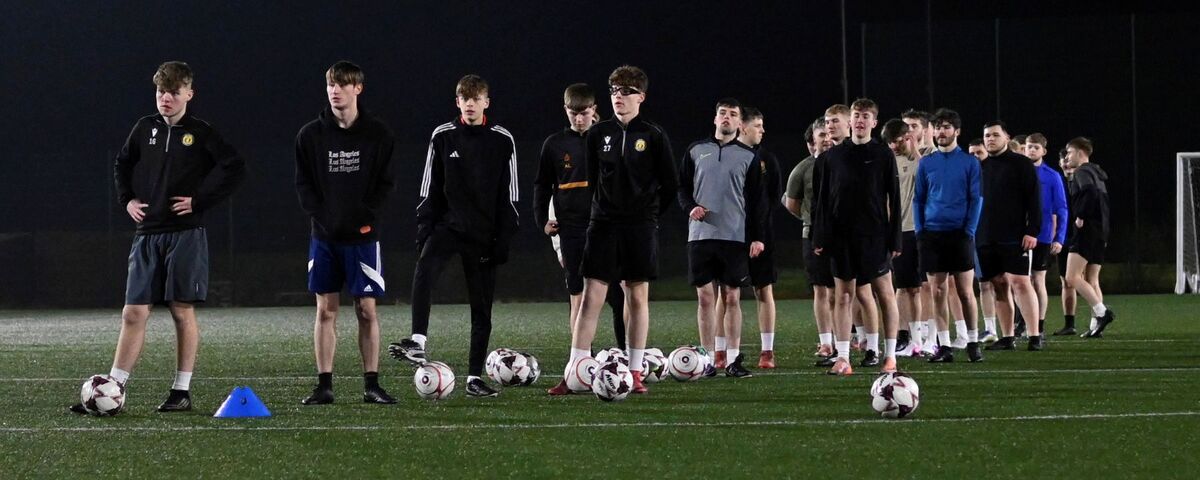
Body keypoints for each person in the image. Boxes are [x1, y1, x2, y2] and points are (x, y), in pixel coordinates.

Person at [72, 61, 247, 414]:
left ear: (189, 94)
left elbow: (235, 167)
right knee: (133, 312)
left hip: (185, 234)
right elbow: (122, 164)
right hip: (147, 234)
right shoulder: (144, 128)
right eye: (160, 92)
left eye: (172, 92)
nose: (165, 98)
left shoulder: (201, 132)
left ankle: (180, 391)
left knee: (181, 312)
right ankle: (113, 387)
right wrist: (128, 201)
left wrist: (200, 201)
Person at [547, 65, 677, 395]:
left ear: (641, 97)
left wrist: (648, 216)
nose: (619, 96)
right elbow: (593, 181)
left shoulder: (654, 135)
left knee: (636, 296)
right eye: (614, 91)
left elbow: (670, 185)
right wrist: (601, 212)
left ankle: (635, 372)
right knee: (590, 298)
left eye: (626, 91)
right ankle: (574, 372)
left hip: (639, 226)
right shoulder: (597, 134)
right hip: (603, 225)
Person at [389, 74, 519, 398]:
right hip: (448, 226)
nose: (471, 103)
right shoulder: (443, 136)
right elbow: (428, 187)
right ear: (457, 102)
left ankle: (475, 378)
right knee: (424, 269)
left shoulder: (503, 140)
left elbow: (510, 195)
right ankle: (418, 341)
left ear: (487, 102)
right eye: (465, 98)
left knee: (482, 308)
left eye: (477, 98)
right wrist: (424, 226)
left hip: (484, 234)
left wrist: (504, 237)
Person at [295, 61, 399, 405]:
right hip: (324, 237)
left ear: (358, 89)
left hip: (364, 237)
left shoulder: (378, 134)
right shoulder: (310, 135)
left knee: (366, 309)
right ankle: (324, 385)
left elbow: (385, 184)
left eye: (342, 85)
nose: (335, 91)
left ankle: (372, 384)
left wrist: (366, 217)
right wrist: (322, 218)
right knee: (325, 310)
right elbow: (304, 185)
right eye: (330, 85)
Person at [811, 98, 902, 375]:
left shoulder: (884, 154)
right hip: (840, 237)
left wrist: (895, 238)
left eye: (866, 116)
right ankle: (843, 358)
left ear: (874, 122)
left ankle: (890, 356)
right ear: (850, 121)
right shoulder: (832, 157)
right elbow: (822, 201)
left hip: (874, 235)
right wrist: (819, 237)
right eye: (856, 116)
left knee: (885, 294)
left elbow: (894, 200)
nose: (860, 120)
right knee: (843, 296)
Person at [533, 84, 627, 350]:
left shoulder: (608, 138)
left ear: (594, 110)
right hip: (572, 229)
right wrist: (542, 219)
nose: (578, 118)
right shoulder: (554, 144)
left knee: (619, 295)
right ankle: (582, 360)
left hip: (607, 227)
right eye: (573, 113)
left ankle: (624, 355)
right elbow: (541, 186)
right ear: (566, 110)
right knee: (578, 295)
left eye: (584, 112)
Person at [679, 98, 766, 378]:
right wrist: (690, 207)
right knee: (705, 298)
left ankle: (732, 360)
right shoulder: (695, 150)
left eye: (732, 114)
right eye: (722, 113)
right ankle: (705, 360)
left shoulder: (749, 157)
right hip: (701, 236)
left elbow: (756, 201)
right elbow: (681, 188)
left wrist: (757, 237)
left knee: (731, 297)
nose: (726, 118)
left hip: (734, 237)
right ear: (715, 119)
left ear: (739, 123)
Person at [913, 108, 983, 363]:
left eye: (946, 127)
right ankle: (944, 345)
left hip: (960, 234)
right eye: (938, 127)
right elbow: (918, 199)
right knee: (938, 292)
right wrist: (920, 230)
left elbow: (976, 199)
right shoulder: (926, 163)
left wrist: (969, 230)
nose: (941, 132)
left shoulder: (969, 162)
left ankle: (973, 341)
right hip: (932, 235)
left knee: (965, 291)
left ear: (957, 131)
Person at [975, 121, 1043, 351]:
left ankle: (1035, 335)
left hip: (1015, 235)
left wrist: (1032, 230)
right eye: (987, 136)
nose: (990, 139)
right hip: (985, 236)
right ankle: (1007, 337)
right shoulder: (980, 167)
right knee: (998, 285)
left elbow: (1034, 200)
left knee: (1020, 282)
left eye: (995, 135)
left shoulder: (1022, 164)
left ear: (1007, 136)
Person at [785, 118, 836, 365]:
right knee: (821, 289)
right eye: (821, 135)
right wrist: (810, 220)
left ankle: (848, 338)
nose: (827, 138)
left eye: (829, 134)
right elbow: (791, 203)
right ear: (810, 143)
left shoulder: (844, 163)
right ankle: (826, 341)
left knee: (845, 290)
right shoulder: (802, 169)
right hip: (813, 235)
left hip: (844, 236)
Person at [738, 106, 782, 368]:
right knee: (727, 292)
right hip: (731, 235)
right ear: (744, 127)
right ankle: (722, 351)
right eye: (758, 125)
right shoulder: (728, 155)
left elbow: (773, 198)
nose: (762, 130)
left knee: (763, 289)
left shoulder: (768, 159)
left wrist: (759, 231)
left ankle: (767, 351)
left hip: (761, 234)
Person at [1063, 137, 1115, 337]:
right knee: (1092, 279)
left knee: (1072, 277)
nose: (1067, 157)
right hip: (1101, 230)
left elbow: (1090, 192)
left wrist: (1081, 215)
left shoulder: (1083, 171)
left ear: (1080, 152)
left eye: (1069, 152)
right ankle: (1096, 326)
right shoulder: (1097, 172)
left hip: (1087, 230)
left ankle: (1102, 313)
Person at [882, 119, 925, 357]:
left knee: (917, 288)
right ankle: (902, 335)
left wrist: (914, 147)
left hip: (917, 230)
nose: (894, 146)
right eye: (890, 142)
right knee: (901, 286)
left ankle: (918, 337)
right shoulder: (887, 162)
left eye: (897, 141)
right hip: (896, 231)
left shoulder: (921, 161)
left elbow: (925, 173)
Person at [1025, 133, 1068, 339]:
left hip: (1042, 236)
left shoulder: (1052, 176)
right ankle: (1022, 323)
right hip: (1018, 235)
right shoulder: (1018, 172)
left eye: (1035, 147)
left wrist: (1059, 238)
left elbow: (1061, 208)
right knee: (1019, 281)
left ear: (1043, 151)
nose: (1031, 151)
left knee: (1037, 280)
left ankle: (1038, 325)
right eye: (1028, 147)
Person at [1054, 150, 1081, 335]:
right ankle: (1069, 323)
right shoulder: (1058, 182)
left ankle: (1098, 317)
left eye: (1067, 159)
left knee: (1087, 280)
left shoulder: (1083, 181)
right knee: (1066, 281)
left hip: (1081, 237)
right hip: (1062, 237)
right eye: (1062, 159)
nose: (1065, 163)